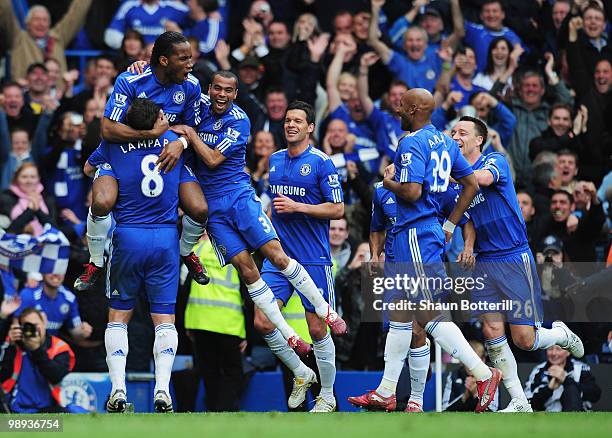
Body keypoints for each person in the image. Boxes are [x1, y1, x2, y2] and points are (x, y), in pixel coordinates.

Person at [171, 71, 347, 359]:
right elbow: (177, 87)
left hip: (239, 199)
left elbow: (214, 159)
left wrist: (189, 135)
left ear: (236, 94)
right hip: (212, 207)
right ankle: (294, 348)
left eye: (229, 90)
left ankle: (328, 314)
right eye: (217, 89)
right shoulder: (273, 158)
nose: (222, 95)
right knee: (246, 270)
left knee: (279, 259)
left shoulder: (240, 120)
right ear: (209, 89)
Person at [348, 88, 500, 413]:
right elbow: (471, 183)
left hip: (414, 233)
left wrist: (386, 183)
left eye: (401, 106)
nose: (397, 111)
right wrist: (448, 226)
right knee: (402, 314)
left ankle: (483, 373)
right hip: (423, 231)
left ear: (414, 108)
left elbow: (413, 192)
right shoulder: (444, 141)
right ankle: (387, 391)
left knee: (428, 316)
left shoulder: (410, 142)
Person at [450, 116, 584, 412]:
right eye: (452, 132)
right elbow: (467, 220)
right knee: (491, 332)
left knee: (524, 339)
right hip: (484, 262)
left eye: (462, 132)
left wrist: (448, 170)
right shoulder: (457, 182)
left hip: (513, 257)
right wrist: (469, 246)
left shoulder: (494, 161)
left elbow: (480, 180)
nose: (455, 136)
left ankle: (560, 334)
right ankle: (519, 402)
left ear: (478, 140)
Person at [75, 31, 209, 291]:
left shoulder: (191, 85)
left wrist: (179, 143)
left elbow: (192, 130)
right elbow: (109, 129)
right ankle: (95, 262)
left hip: (168, 154)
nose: (190, 64)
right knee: (101, 202)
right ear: (163, 61)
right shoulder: (131, 79)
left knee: (200, 210)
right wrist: (151, 134)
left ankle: (186, 252)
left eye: (190, 57)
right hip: (122, 154)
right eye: (183, 58)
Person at [92, 97, 197, 413]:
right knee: (164, 318)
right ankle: (163, 391)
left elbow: (88, 168)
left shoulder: (112, 143)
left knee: (118, 315)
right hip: (166, 238)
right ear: (157, 120)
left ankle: (119, 391)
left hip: (129, 236)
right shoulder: (173, 144)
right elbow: (195, 202)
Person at [253, 101, 344, 413]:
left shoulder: (322, 163)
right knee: (263, 321)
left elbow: (338, 208)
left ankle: (328, 395)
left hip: (314, 259)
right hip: (279, 258)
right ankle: (301, 373)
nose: (290, 125)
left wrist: (299, 207)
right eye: (287, 120)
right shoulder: (275, 160)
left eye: (297, 121)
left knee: (318, 329)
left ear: (310, 128)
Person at [1, 307, 75, 413]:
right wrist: (11, 346)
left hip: (49, 409)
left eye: (35, 325)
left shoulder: (59, 347)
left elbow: (56, 376)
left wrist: (36, 349)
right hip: (15, 408)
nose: (32, 330)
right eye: (27, 326)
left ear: (44, 324)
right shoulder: (15, 346)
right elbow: (4, 376)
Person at [0, 0, 92, 82]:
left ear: (49, 24)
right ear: (27, 24)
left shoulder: (58, 38)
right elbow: (6, 11)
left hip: (57, 99)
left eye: (45, 20)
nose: (41, 24)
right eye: (37, 19)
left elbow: (77, 13)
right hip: (26, 98)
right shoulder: (18, 39)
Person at [14, 273, 92, 340]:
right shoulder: (27, 294)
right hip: (26, 350)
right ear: (43, 272)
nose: (56, 274)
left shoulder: (69, 298)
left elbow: (75, 331)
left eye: (60, 270)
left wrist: (83, 331)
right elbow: (15, 327)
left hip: (50, 351)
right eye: (52, 269)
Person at [525, 345, 601, 412]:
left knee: (571, 389)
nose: (554, 353)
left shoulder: (580, 368)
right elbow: (529, 402)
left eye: (558, 349)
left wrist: (566, 380)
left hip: (578, 417)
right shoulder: (538, 371)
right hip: (546, 418)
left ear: (568, 352)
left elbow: (595, 394)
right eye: (550, 349)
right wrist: (549, 389)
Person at [104, 0, 190, 49]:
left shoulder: (177, 8)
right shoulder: (129, 6)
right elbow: (112, 35)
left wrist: (179, 34)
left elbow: (198, 33)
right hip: (136, 58)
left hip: (165, 57)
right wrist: (133, 46)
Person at [442, 340, 499, 412]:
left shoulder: (491, 378)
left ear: (483, 360)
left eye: (475, 361)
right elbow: (445, 409)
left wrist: (476, 395)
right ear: (462, 360)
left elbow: (493, 411)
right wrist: (464, 397)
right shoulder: (453, 376)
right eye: (468, 360)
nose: (471, 365)